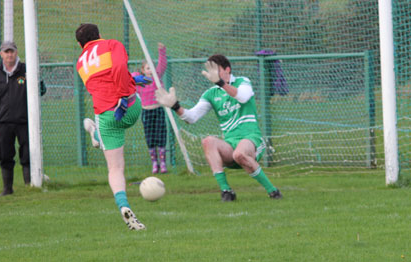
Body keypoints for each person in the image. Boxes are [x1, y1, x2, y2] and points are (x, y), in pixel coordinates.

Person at [155, 54, 282, 202]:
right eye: (211, 71)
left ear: (227, 70)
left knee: (239, 154)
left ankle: (273, 191)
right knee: (208, 141)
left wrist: (221, 83)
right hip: (230, 144)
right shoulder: (211, 94)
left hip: (251, 139)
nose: (212, 74)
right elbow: (192, 117)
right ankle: (226, 191)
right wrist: (175, 106)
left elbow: (243, 97)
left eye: (216, 70)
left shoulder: (243, 81)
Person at [75, 23, 148, 231]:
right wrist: (126, 91)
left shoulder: (81, 62)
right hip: (130, 108)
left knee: (115, 168)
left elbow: (101, 82)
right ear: (99, 34)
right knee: (135, 96)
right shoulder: (111, 44)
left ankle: (123, 205)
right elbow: (117, 69)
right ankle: (96, 134)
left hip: (106, 116)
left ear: (80, 45)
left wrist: (129, 81)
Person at [0, 41, 46, 196]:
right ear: (1, 54)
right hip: (5, 123)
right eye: (6, 52)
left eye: (12, 51)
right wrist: (0, 114)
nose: (9, 54)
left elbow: (41, 90)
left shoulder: (27, 70)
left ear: (16, 52)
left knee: (27, 154)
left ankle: (29, 186)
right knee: (5, 154)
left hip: (25, 122)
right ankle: (7, 188)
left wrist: (36, 80)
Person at [132, 42, 168, 174]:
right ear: (143, 71)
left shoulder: (157, 77)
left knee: (161, 135)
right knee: (150, 137)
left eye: (152, 68)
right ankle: (154, 163)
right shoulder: (140, 82)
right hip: (146, 112)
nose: (150, 70)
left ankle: (163, 163)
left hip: (158, 110)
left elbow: (162, 64)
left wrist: (161, 51)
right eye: (147, 68)